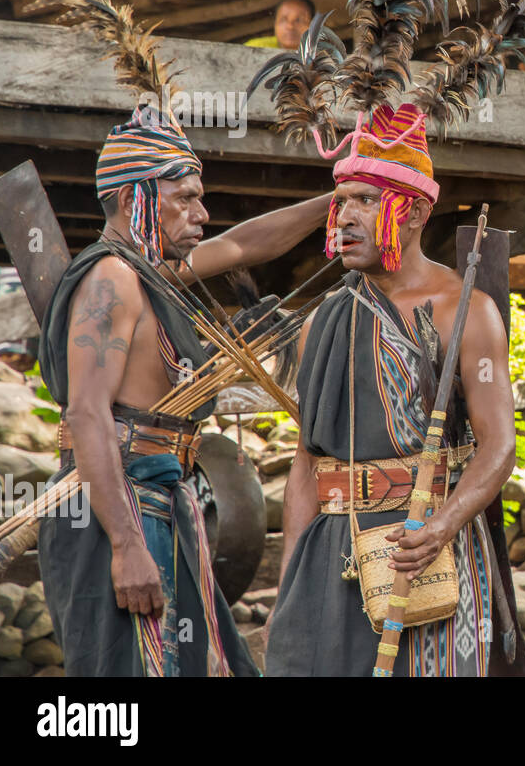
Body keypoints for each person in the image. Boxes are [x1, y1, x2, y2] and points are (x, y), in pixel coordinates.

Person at [37, 104, 332, 676]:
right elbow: (88, 415)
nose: (202, 212)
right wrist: (126, 547)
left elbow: (246, 246)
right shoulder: (111, 279)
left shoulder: (150, 270)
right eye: (186, 198)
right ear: (134, 200)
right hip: (113, 511)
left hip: (160, 500)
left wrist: (340, 197)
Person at [264, 102, 517, 676]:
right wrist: (289, 585)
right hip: (332, 553)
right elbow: (307, 467)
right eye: (341, 201)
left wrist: (441, 526)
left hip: (423, 551)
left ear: (415, 211)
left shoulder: (465, 312)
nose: (344, 217)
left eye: (366, 200)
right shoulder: (321, 321)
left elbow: (499, 446)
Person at [245, 0, 314, 50]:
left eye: (298, 20)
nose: (290, 26)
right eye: (283, 20)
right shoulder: (254, 48)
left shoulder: (321, 55)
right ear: (275, 23)